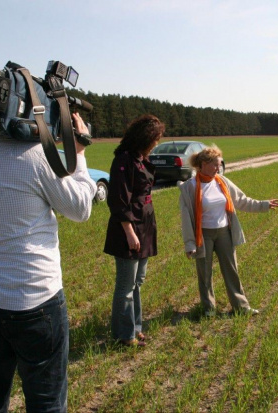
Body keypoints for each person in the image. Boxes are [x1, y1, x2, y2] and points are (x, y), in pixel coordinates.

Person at [0, 112, 96, 413]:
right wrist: (78, 152)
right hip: (34, 302)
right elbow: (80, 208)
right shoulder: (34, 155)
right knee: (46, 401)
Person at [178, 145, 278, 317]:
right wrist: (189, 243)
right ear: (203, 164)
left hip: (224, 232)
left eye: (219, 164)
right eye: (215, 165)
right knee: (205, 273)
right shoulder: (189, 188)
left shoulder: (222, 182)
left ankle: (241, 307)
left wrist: (264, 204)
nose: (218, 168)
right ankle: (209, 309)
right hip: (203, 235)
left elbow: (242, 200)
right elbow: (186, 218)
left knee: (231, 270)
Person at [104, 114, 165, 347]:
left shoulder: (141, 158)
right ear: (145, 137)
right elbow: (118, 200)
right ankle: (123, 336)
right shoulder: (124, 160)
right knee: (125, 285)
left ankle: (134, 326)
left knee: (138, 281)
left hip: (145, 224)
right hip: (129, 227)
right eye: (155, 138)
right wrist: (129, 233)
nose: (157, 143)